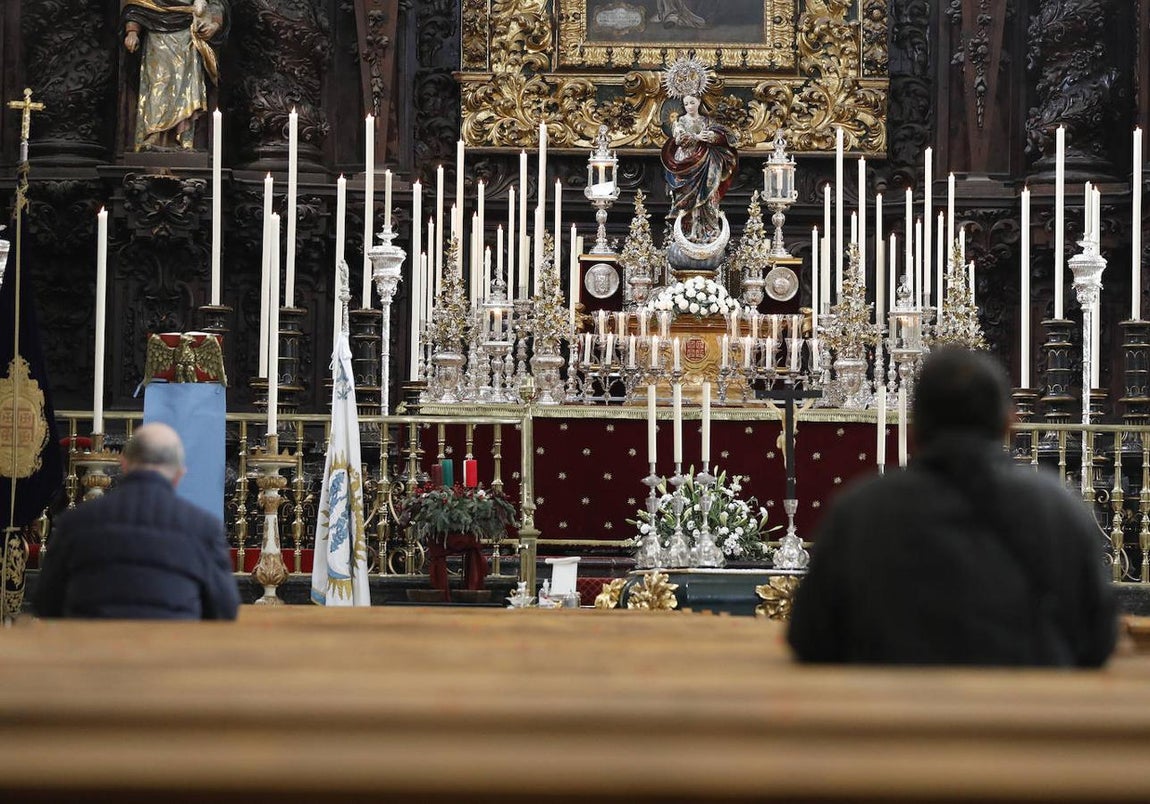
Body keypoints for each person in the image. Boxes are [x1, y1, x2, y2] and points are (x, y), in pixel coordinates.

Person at [787, 347, 1117, 666]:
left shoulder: (858, 511)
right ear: (1008, 425)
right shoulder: (1059, 508)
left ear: (914, 431)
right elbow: (1098, 639)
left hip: (889, 715)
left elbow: (810, 637)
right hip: (1023, 717)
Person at [36, 422, 239, 620]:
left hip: (94, 649)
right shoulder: (203, 528)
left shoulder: (75, 522)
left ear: (124, 463)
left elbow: (46, 603)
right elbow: (224, 610)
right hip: (173, 648)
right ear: (179, 474)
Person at [121, 0, 229, 151]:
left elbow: (216, 2)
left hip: (188, 33)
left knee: (186, 86)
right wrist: (132, 31)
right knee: (158, 82)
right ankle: (154, 133)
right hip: (156, 30)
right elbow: (139, 5)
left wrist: (214, 24)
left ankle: (184, 137)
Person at [661, 94, 738, 241]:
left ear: (699, 102)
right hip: (686, 164)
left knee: (709, 196)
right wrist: (697, 137)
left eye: (692, 102)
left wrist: (712, 137)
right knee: (686, 198)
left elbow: (721, 136)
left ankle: (709, 232)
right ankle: (687, 232)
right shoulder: (680, 121)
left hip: (707, 162)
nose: (689, 106)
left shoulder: (707, 121)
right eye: (686, 104)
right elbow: (678, 138)